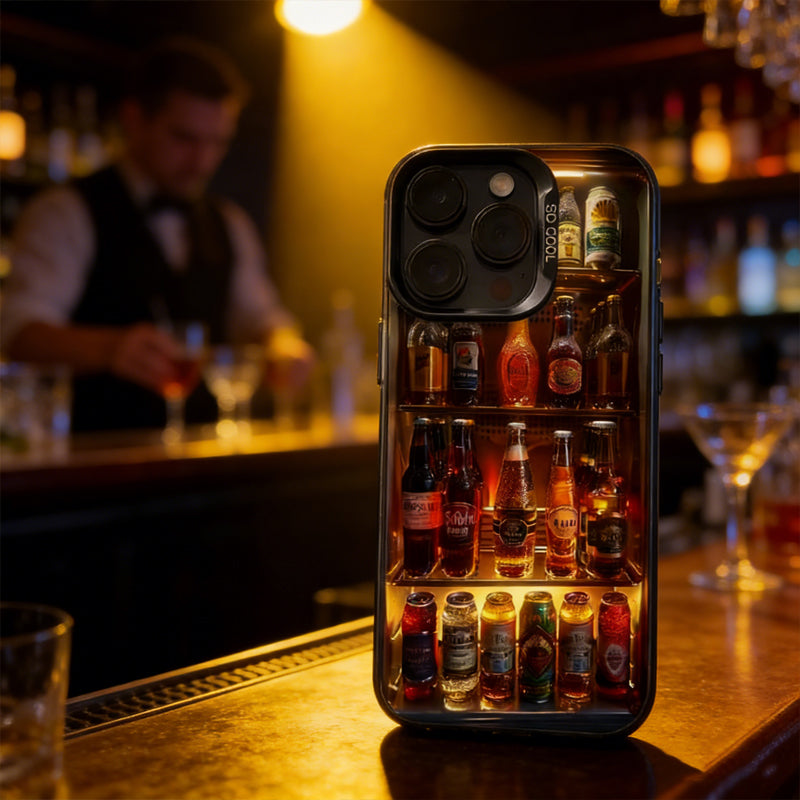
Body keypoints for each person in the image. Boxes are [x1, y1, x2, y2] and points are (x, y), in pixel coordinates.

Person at [1, 37, 313, 433]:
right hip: (93, 454)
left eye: (218, 142)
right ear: (134, 120)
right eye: (184, 138)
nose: (203, 161)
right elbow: (17, 334)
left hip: (204, 450)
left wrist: (283, 344)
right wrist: (110, 348)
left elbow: (260, 317)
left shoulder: (230, 223)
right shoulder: (63, 212)